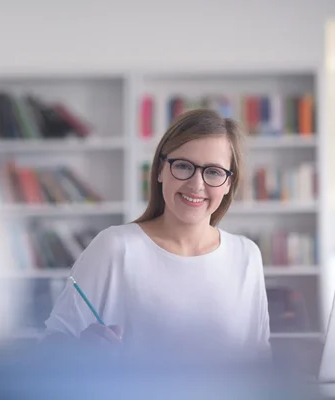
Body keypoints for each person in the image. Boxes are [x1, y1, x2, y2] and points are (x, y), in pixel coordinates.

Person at [42, 108, 271, 364]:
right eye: (183, 166)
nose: (196, 184)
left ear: (229, 183)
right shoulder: (115, 247)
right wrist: (82, 350)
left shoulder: (246, 255)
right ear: (161, 170)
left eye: (214, 172)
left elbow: (259, 360)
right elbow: (53, 343)